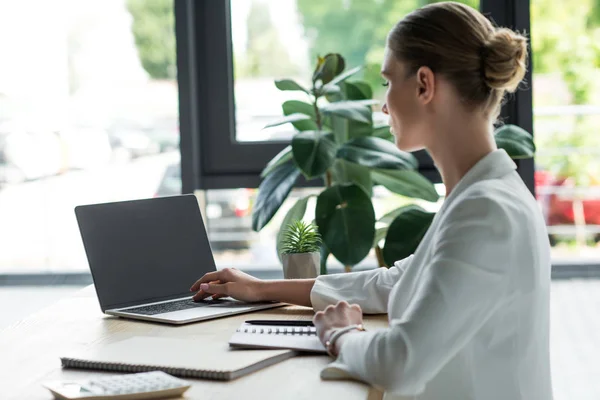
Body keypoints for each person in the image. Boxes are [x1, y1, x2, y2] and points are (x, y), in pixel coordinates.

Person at [190, 2, 552, 399]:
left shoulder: (487, 211)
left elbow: (399, 363)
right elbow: (397, 283)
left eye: (387, 82)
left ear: (424, 85)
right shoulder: (482, 196)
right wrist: (262, 289)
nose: (383, 104)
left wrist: (341, 335)